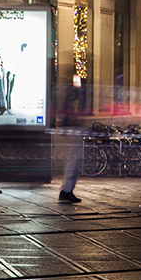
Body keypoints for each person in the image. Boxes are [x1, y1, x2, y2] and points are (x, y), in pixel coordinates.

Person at [58, 74, 85, 203]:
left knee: (73, 158)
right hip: (72, 127)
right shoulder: (71, 91)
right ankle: (66, 190)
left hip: (71, 126)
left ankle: (67, 189)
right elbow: (71, 107)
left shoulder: (67, 91)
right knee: (73, 159)